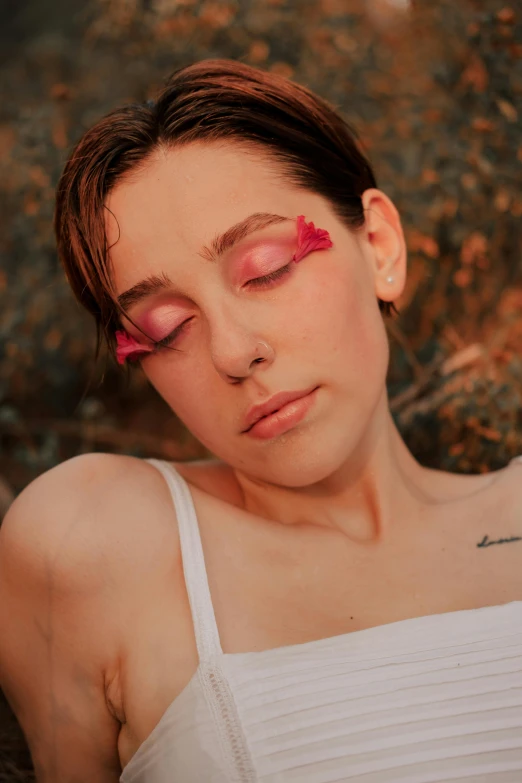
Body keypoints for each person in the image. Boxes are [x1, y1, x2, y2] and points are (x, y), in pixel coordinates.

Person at [0, 59, 521, 783]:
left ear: (380, 247)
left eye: (267, 267)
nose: (235, 351)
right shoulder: (91, 541)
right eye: (168, 326)